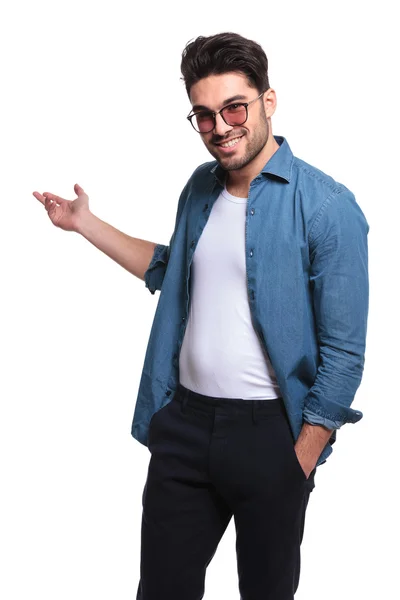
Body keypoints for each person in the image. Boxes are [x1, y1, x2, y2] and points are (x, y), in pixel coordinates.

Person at [33, 31, 369, 600]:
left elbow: (344, 353)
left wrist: (300, 459)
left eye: (234, 107)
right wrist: (85, 224)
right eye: (204, 115)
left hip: (271, 438)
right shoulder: (199, 188)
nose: (221, 127)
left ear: (268, 102)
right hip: (185, 427)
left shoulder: (328, 207)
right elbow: (173, 274)